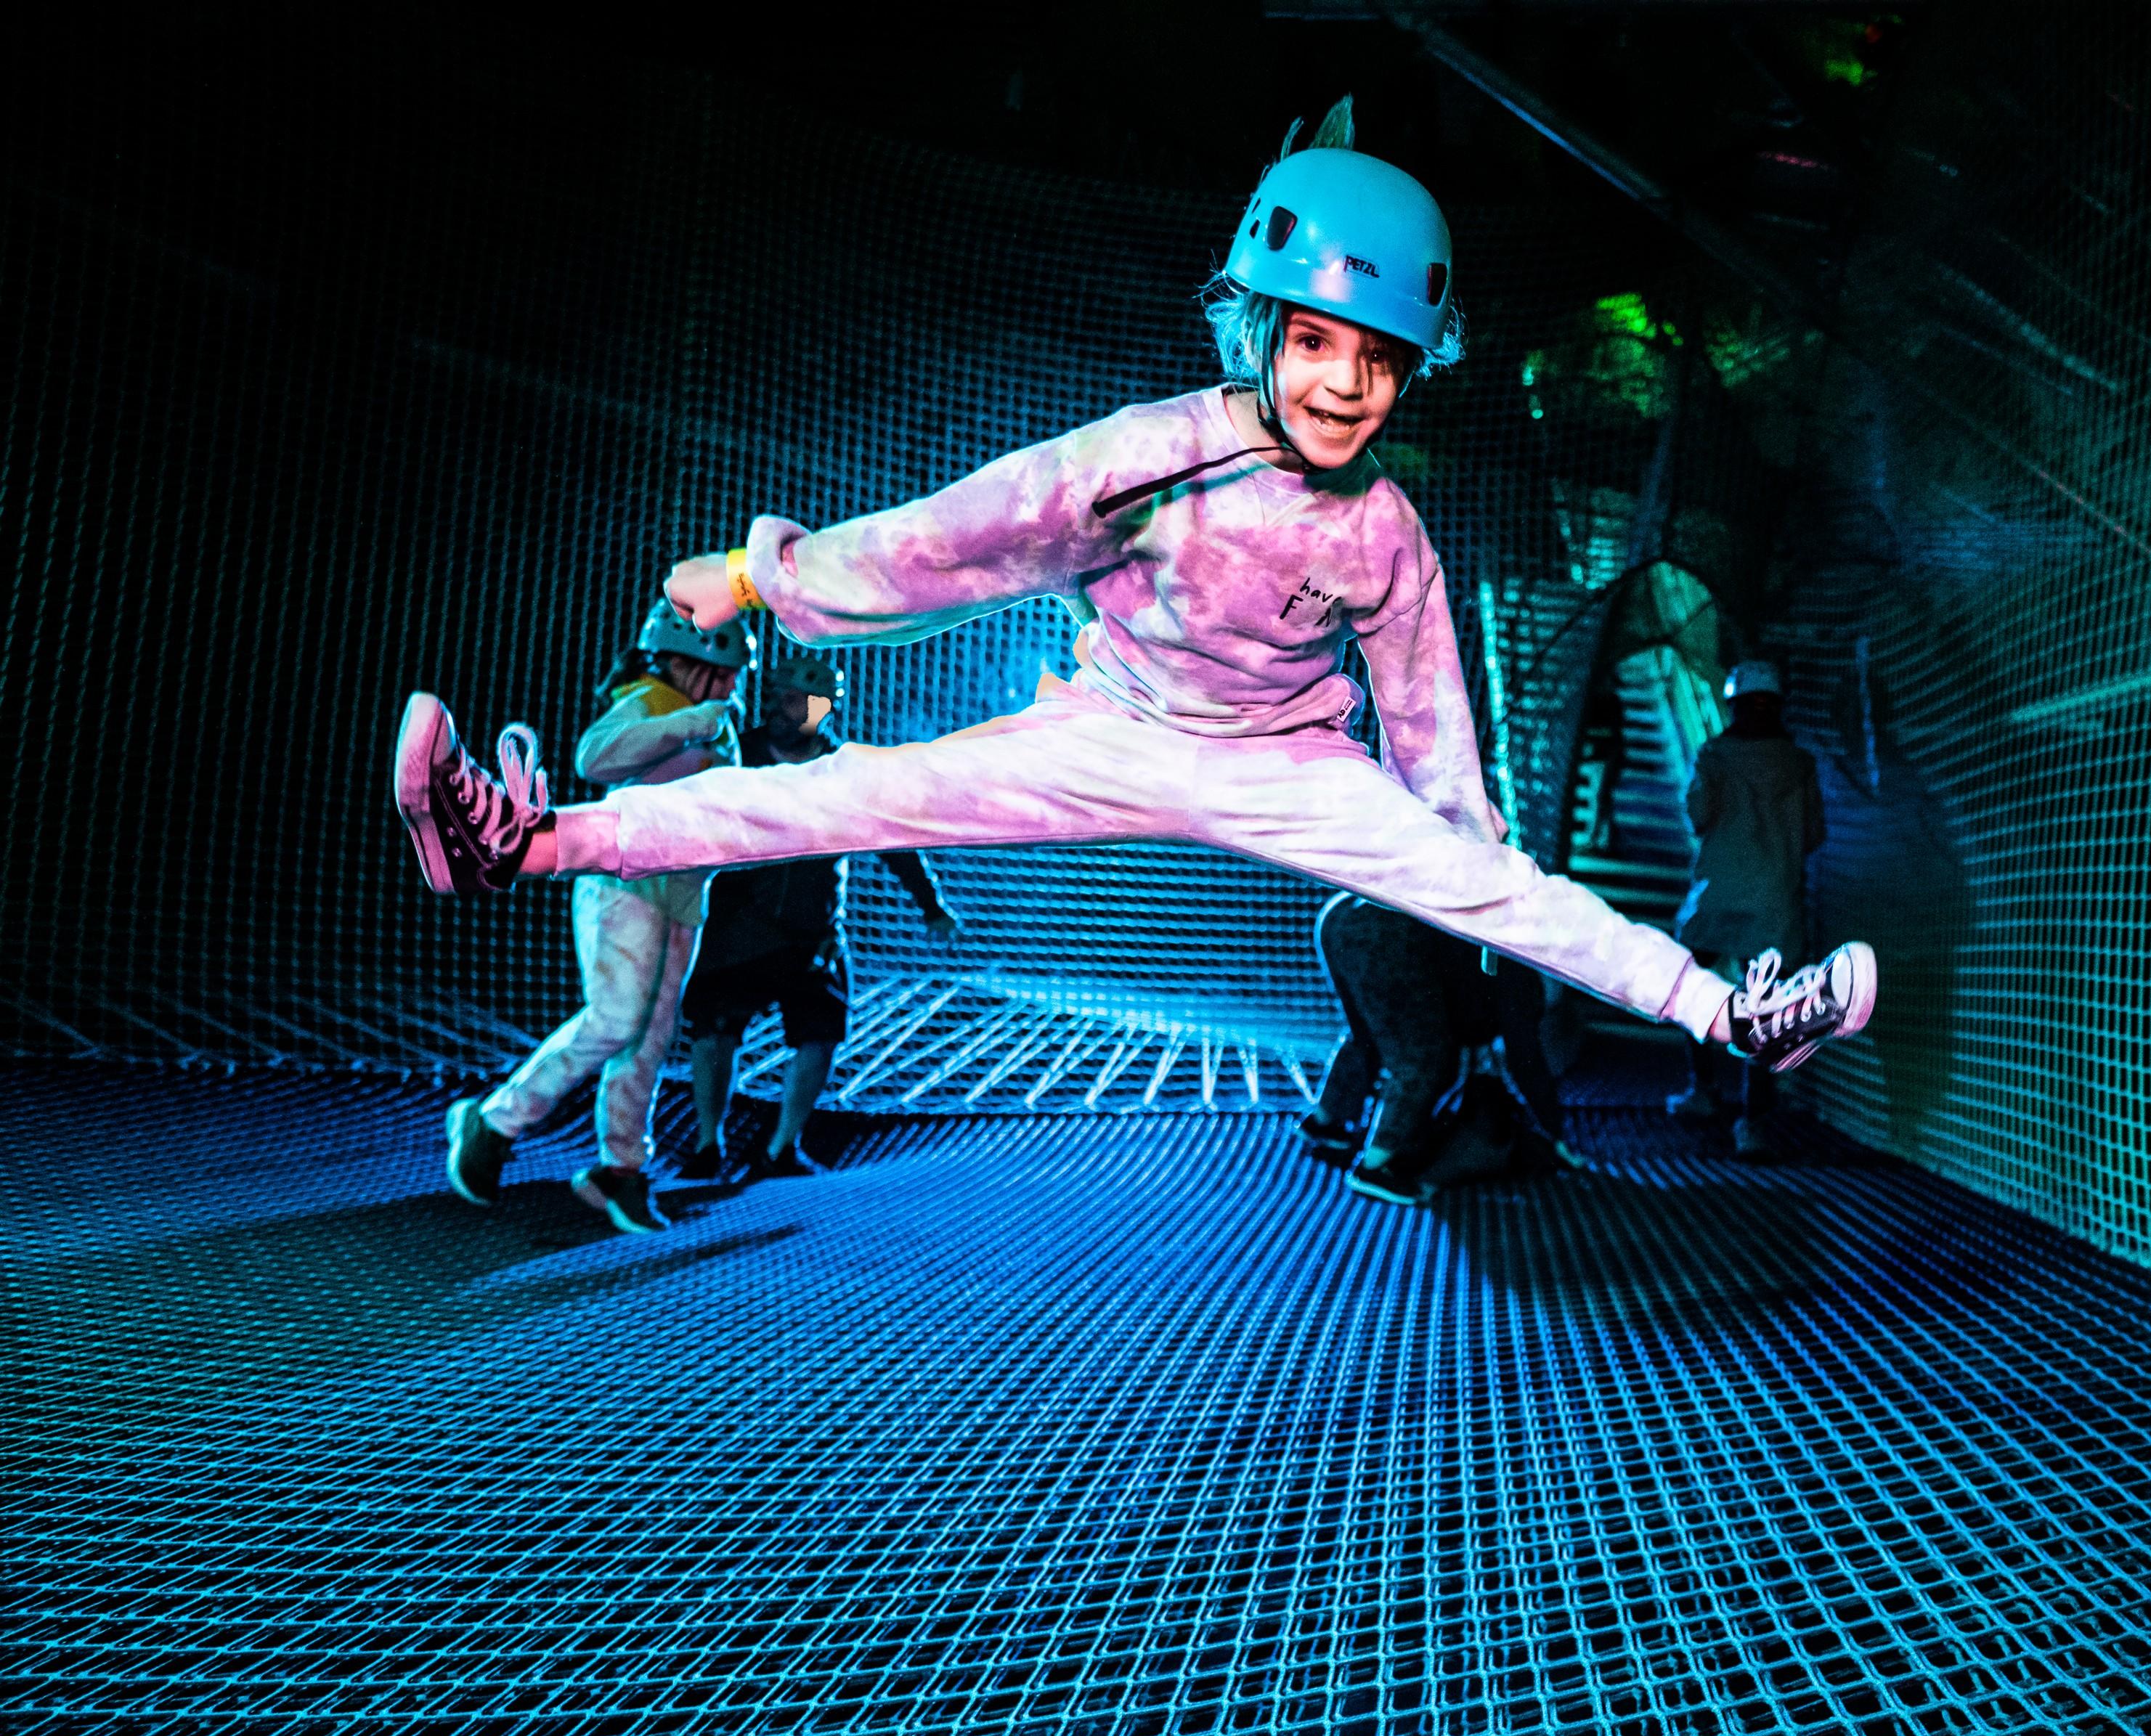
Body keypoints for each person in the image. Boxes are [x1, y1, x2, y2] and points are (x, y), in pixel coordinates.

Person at [392, 99, 1876, 1099]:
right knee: (846, 794)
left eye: (1378, 360)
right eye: (1316, 343)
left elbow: (1429, 719)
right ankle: (524, 837)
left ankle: (1733, 1013)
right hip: (1107, 729)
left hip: (1289, 763)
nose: (1345, 385)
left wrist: (1458, 854)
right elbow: (955, 542)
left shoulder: (1387, 532)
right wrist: (754, 577)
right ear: (1258, 327)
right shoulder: (1150, 459)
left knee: (1506, 886)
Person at [442, 603, 750, 1233]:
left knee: (650, 1037)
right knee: (616, 1018)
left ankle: (620, 1171)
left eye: (731, 676)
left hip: (683, 894)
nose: (728, 686)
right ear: (684, 665)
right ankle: (495, 1118)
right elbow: (594, 757)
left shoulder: (722, 726)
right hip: (622, 881)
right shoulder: (652, 700)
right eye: (719, 674)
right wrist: (688, 723)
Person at [676, 652, 957, 1180]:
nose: (798, 711)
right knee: (715, 1029)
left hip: (813, 930)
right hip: (736, 922)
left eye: (810, 702)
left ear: (827, 709)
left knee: (821, 1030)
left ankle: (782, 1148)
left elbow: (893, 838)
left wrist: (931, 903)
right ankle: (707, 1143)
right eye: (789, 699)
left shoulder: (842, 771)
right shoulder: (738, 754)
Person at [1300, 892, 1579, 1204]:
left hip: (1341, 913)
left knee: (1367, 1035)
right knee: (1422, 1057)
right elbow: (1525, 1057)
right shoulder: (1526, 972)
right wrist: (1555, 1132)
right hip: (1386, 932)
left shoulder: (1511, 938)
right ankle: (1373, 1169)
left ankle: (1324, 1122)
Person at [1670, 659, 1826, 1159]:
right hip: (1775, 900)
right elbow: (1813, 835)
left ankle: (1703, 1089)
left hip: (1717, 895)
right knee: (1768, 1012)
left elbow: (1698, 816)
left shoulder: (1714, 756)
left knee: (1686, 984)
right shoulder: (1799, 764)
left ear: (1732, 704)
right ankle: (1753, 1121)